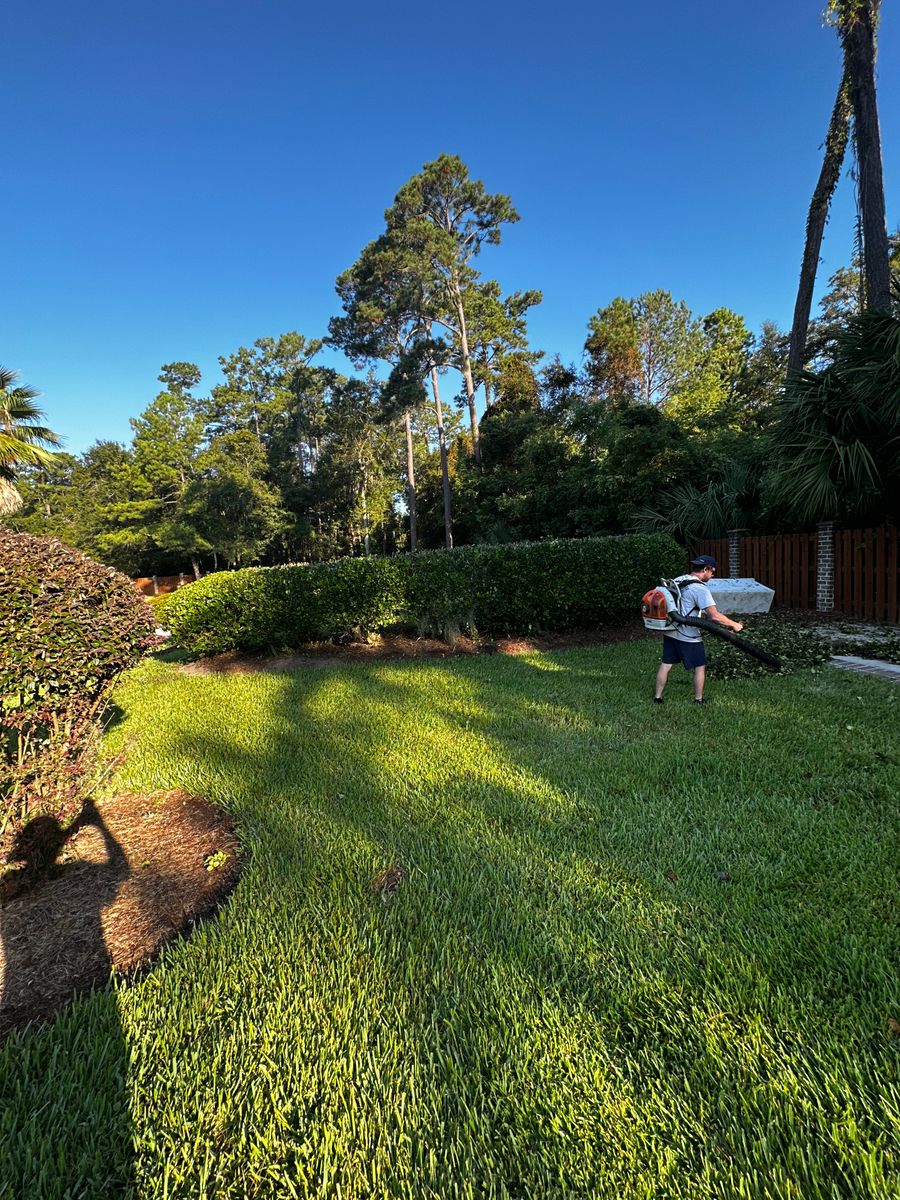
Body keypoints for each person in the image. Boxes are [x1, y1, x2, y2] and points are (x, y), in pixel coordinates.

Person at [653, 555, 744, 704]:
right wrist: (734, 625)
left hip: (670, 630)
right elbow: (714, 616)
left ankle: (658, 697)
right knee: (700, 666)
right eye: (712, 571)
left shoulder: (677, 580)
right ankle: (698, 700)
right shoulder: (699, 588)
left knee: (666, 663)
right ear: (706, 569)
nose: (713, 575)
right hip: (688, 635)